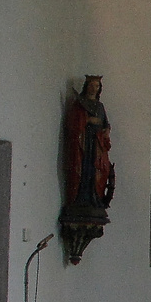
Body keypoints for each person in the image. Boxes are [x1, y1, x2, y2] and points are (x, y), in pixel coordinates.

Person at [64, 76, 115, 212]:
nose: (94, 89)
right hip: (84, 143)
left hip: (97, 144)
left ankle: (95, 197)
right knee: (83, 169)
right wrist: (88, 119)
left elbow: (105, 123)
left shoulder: (99, 106)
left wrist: (107, 130)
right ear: (86, 86)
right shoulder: (80, 104)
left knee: (97, 170)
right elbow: (73, 123)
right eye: (92, 85)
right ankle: (81, 198)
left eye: (97, 86)